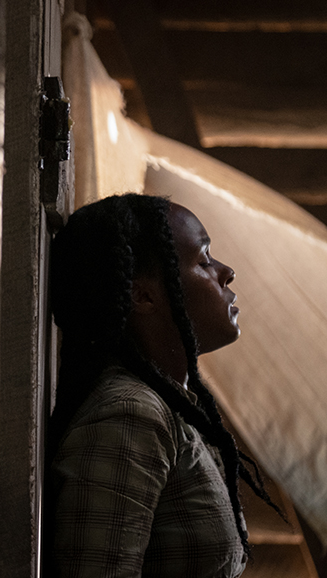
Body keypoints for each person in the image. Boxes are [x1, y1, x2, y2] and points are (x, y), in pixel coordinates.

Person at [44, 193, 278, 577]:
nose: (227, 271)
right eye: (203, 259)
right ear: (143, 295)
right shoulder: (130, 414)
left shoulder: (172, 408)